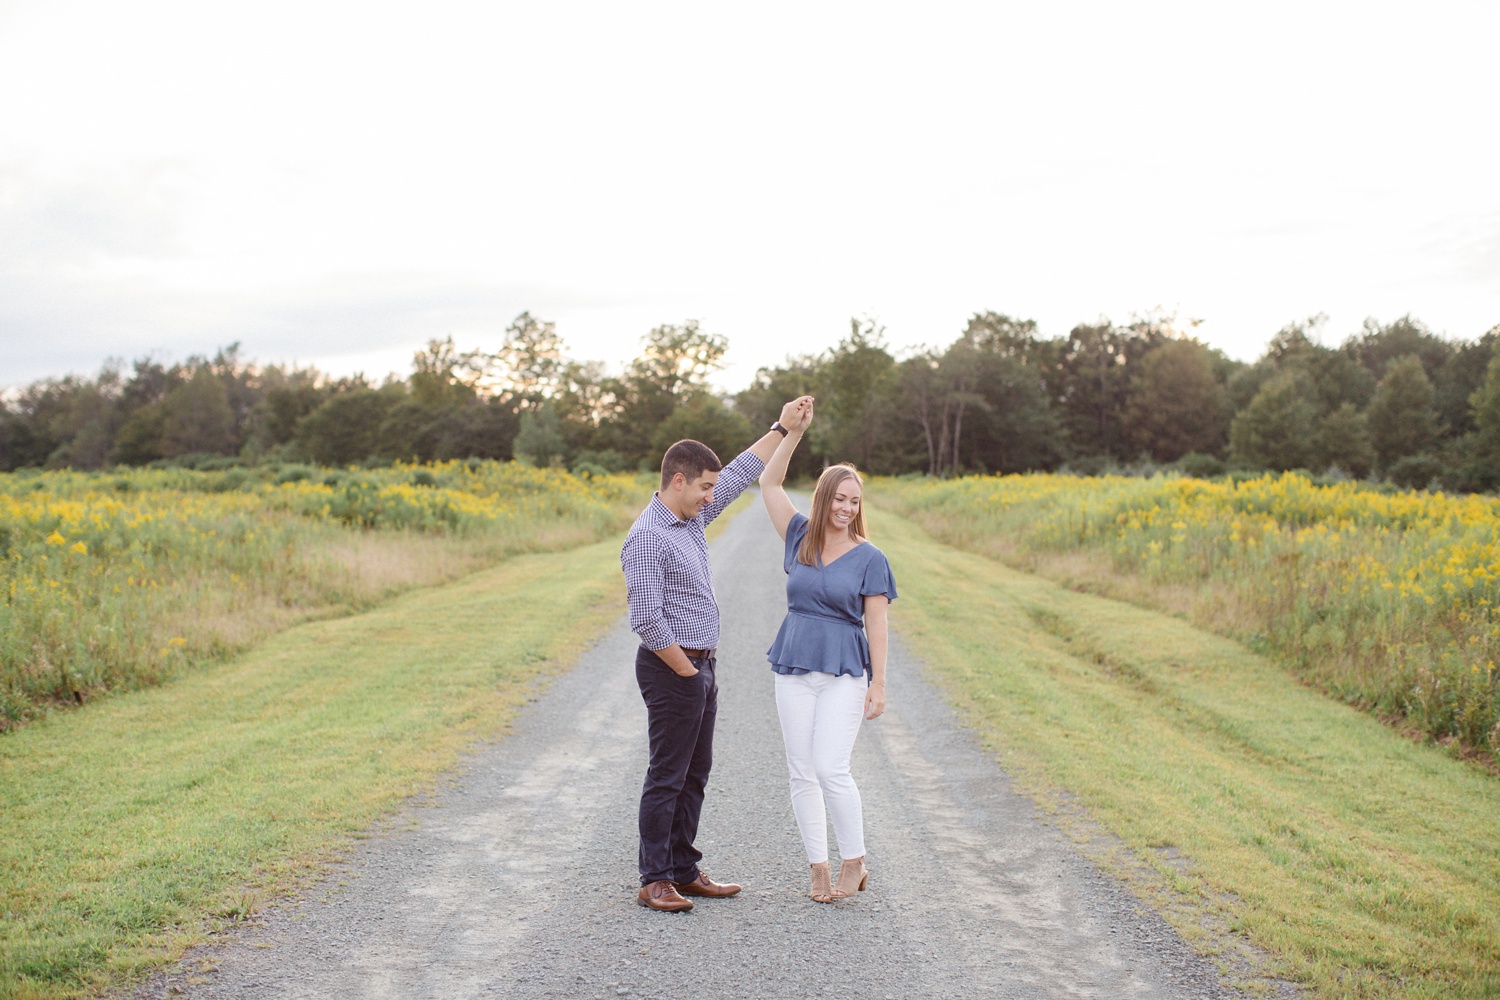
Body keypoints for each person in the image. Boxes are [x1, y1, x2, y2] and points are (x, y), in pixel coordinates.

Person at [621, 396, 816, 912]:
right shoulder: (647, 537)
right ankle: (654, 878)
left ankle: (683, 870)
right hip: (672, 667)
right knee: (667, 774)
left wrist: (781, 428)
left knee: (695, 773)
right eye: (704, 487)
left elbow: (739, 473)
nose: (713, 496)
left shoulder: (689, 518)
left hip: (700, 665)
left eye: (713, 488)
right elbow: (645, 619)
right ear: (678, 481)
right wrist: (687, 674)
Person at [758, 399, 897, 903]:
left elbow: (876, 623)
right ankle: (818, 866)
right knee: (801, 769)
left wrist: (878, 683)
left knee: (830, 767)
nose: (846, 508)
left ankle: (854, 860)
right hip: (793, 664)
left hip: (843, 672)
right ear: (823, 499)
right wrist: (790, 433)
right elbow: (768, 484)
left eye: (854, 501)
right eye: (839, 499)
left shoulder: (870, 558)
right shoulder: (797, 534)